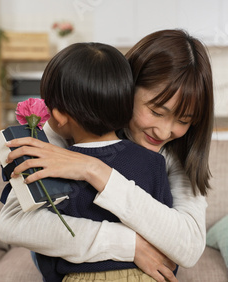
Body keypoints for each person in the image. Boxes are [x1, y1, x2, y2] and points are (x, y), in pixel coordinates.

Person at [0, 29, 214, 282]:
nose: (165, 131)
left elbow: (188, 247)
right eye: (156, 112)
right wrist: (128, 245)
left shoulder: (173, 154)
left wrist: (95, 170)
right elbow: (13, 224)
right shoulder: (66, 124)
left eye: (183, 120)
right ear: (125, 89)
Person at [27, 41, 174, 281]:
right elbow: (166, 237)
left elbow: (47, 252)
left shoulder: (53, 166)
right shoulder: (154, 163)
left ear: (59, 116)